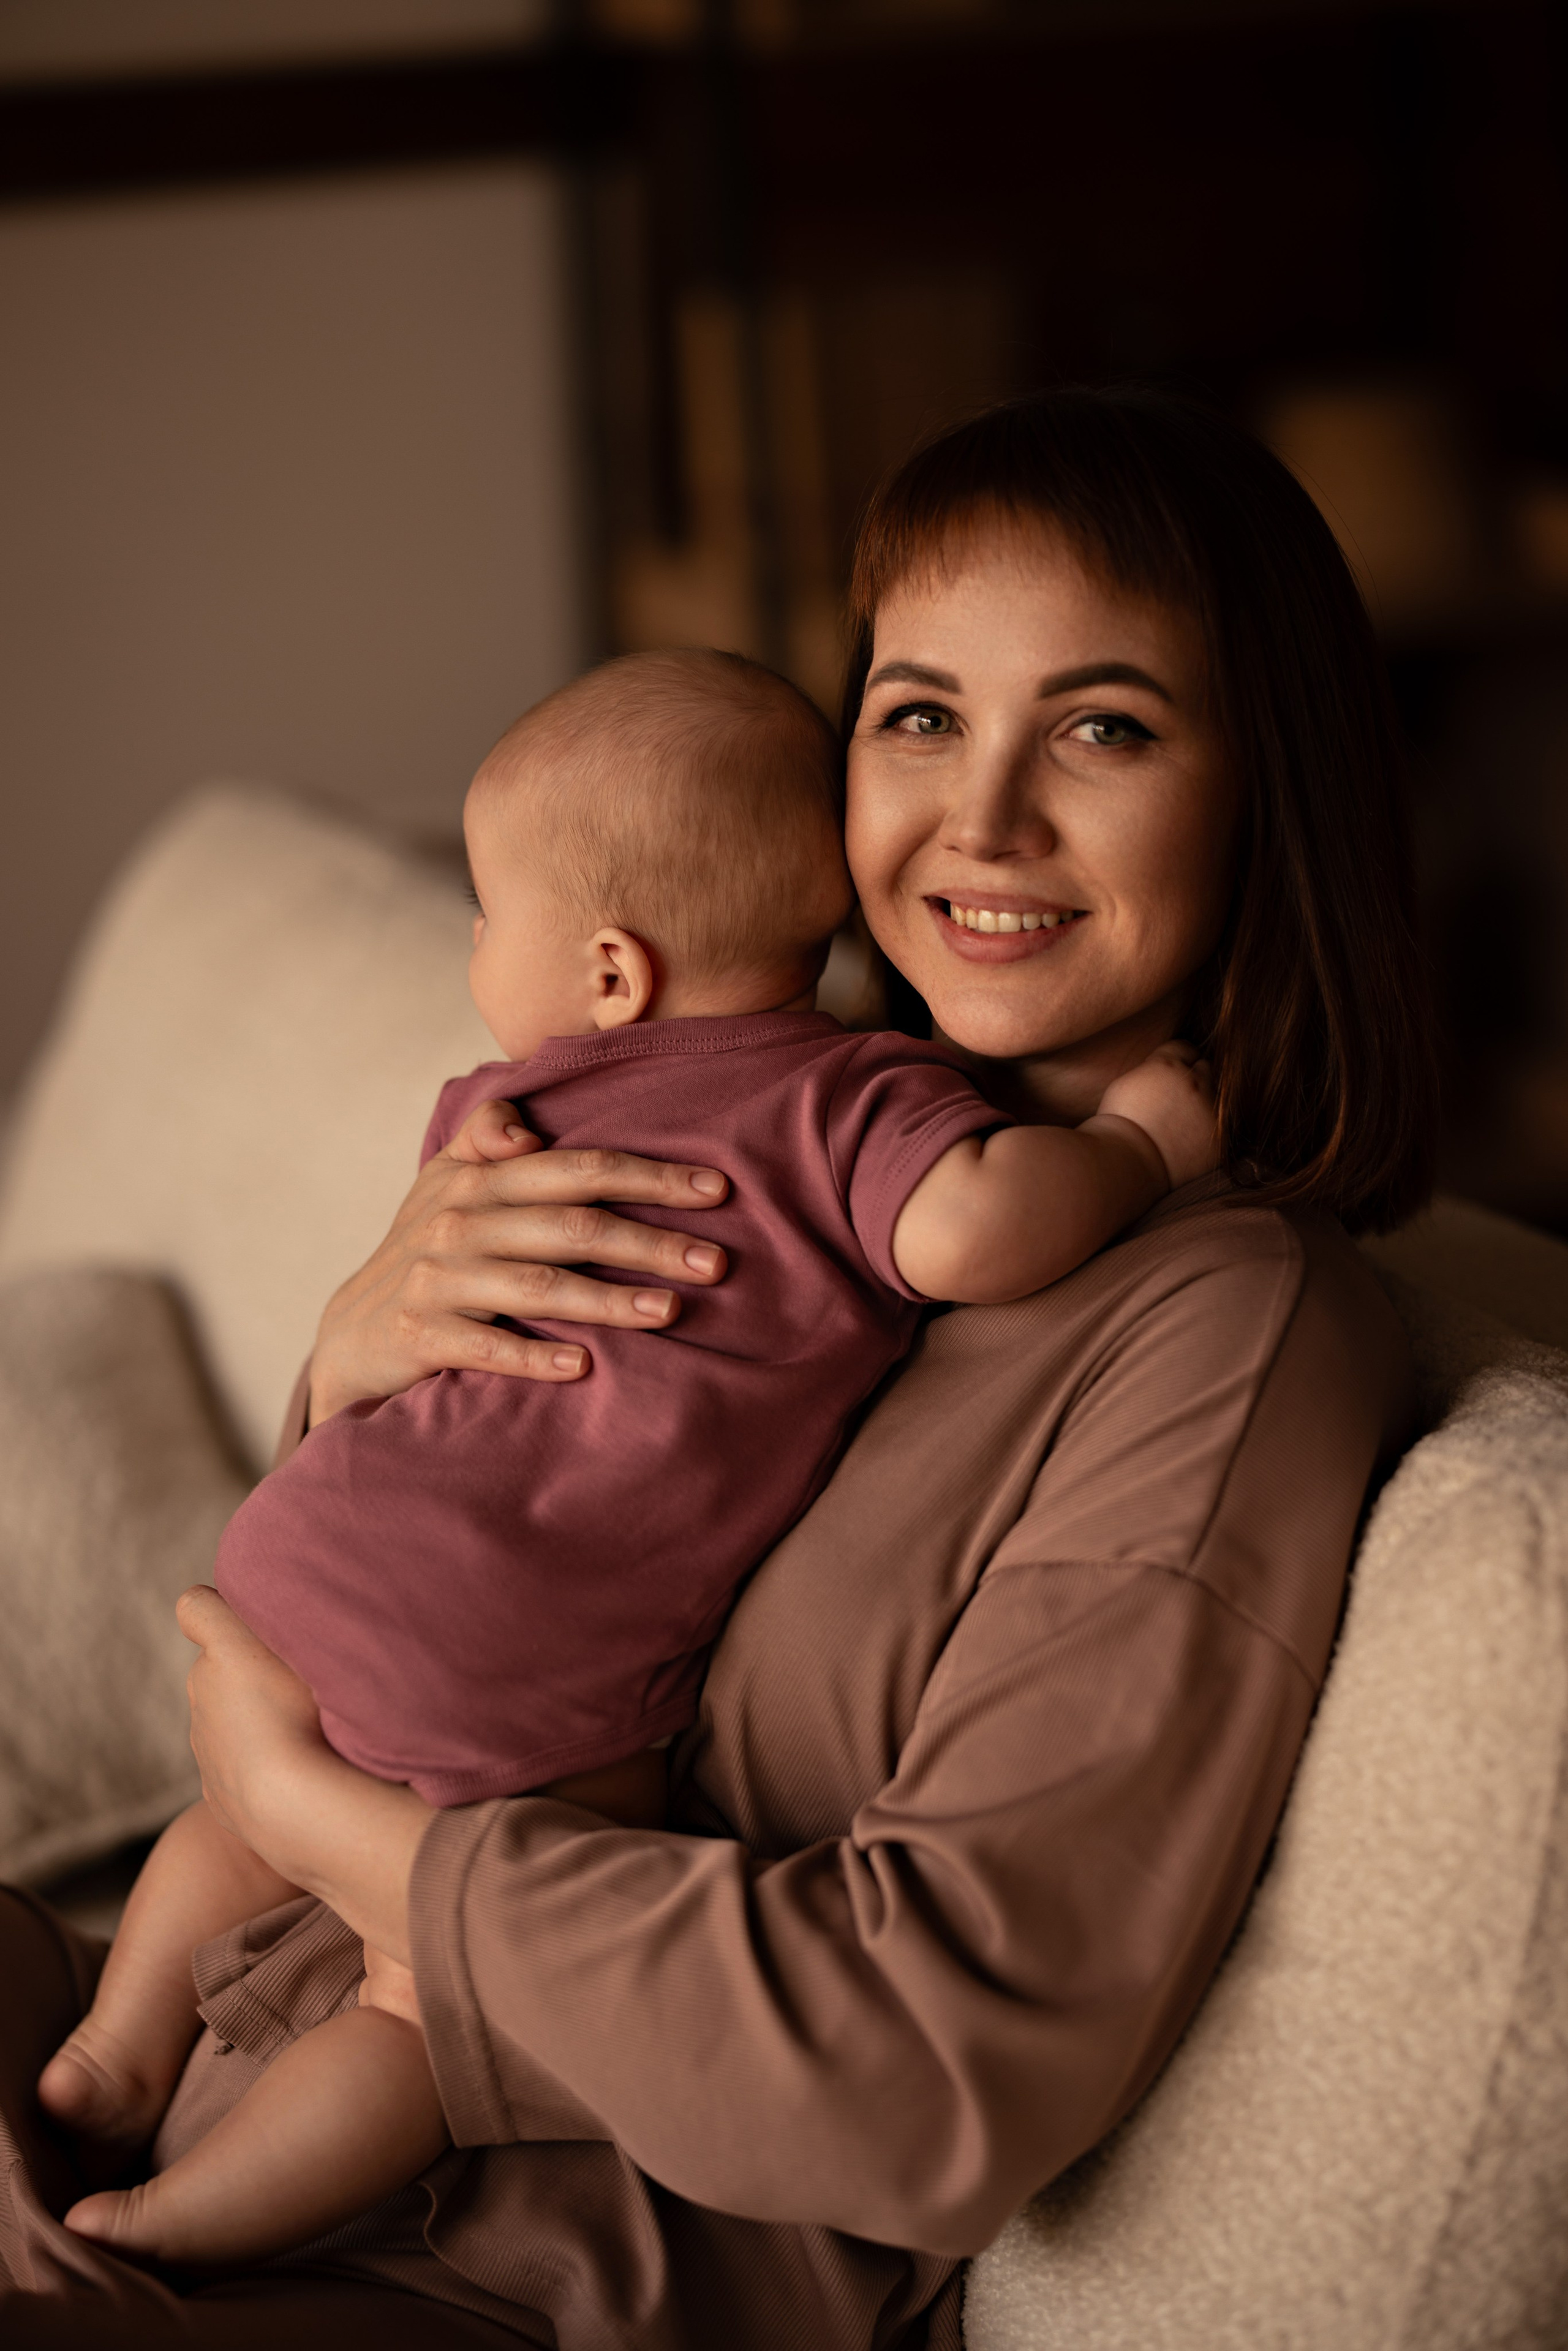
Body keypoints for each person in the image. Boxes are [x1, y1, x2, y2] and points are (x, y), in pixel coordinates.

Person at [0, 387, 1434, 2350]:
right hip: (167, 2012)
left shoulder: (1218, 1324)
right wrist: (363, 1353)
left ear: (1271, 788)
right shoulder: (782, 1125)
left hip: (470, 2256)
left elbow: (915, 2072)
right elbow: (528, 1549)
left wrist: (317, 1811)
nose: (981, 819)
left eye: (1104, 726)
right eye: (920, 712)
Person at [39, 649, 1216, 2267]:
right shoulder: (854, 1106)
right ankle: (175, 2224)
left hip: (309, 1556)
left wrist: (346, 1368)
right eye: (923, 714)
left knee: (231, 1822)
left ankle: (108, 2054)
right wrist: (1134, 1146)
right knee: (421, 2012)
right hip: (515, 1651)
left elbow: (462, 1379)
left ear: (606, 974)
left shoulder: (499, 1108)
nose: (466, 946)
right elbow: (972, 1225)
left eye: (478, 909)